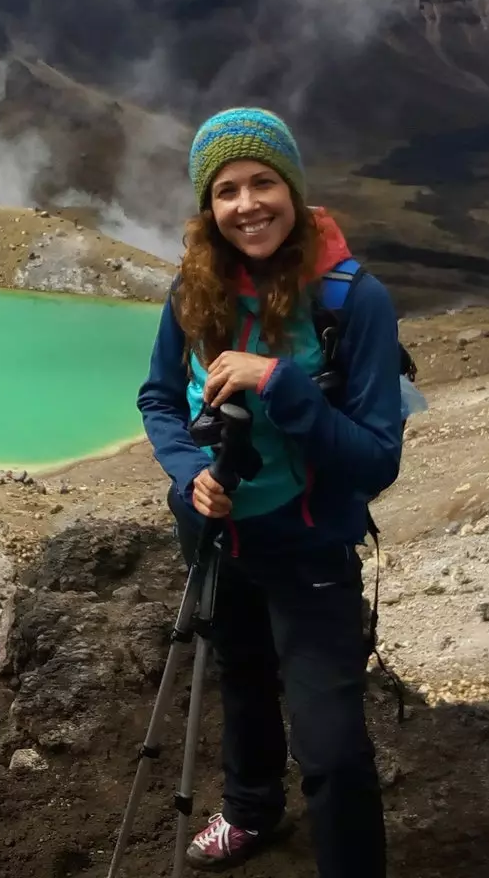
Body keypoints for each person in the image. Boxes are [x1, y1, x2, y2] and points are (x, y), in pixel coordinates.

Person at [138, 107, 404, 877]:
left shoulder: (354, 302)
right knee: (243, 676)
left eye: (263, 183)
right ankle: (252, 809)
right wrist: (192, 480)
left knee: (331, 744)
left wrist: (279, 383)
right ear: (207, 207)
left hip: (309, 546)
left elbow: (376, 459)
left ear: (292, 188)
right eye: (226, 190)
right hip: (216, 536)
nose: (247, 204)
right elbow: (160, 400)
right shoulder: (191, 289)